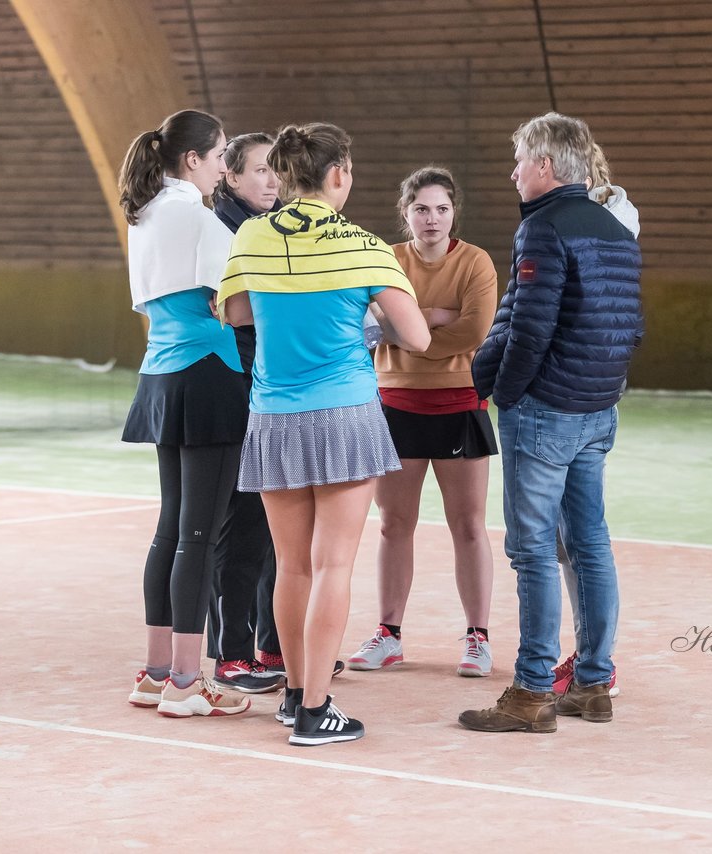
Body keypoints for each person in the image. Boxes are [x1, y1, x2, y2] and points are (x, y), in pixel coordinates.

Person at [219, 123, 430, 746]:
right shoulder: (366, 245)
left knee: (291, 567)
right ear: (337, 173)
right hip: (346, 414)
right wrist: (361, 315)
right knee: (333, 565)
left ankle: (291, 696)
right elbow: (416, 337)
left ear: (284, 175)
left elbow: (235, 313)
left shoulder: (252, 234)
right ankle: (316, 709)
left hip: (273, 414)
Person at [459, 112, 643, 734]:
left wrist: (504, 393)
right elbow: (626, 326)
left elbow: (530, 328)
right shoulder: (615, 227)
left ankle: (533, 691)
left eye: (518, 162)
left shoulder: (544, 228)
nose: (512, 173)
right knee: (589, 544)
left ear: (544, 166)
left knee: (532, 550)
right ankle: (593, 683)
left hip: (546, 412)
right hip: (598, 410)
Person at [119, 109, 251, 719]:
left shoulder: (143, 215)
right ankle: (186, 684)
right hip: (207, 378)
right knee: (198, 533)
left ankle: (155, 673)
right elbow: (240, 306)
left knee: (171, 528)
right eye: (222, 152)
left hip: (161, 376)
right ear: (193, 159)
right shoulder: (198, 218)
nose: (226, 164)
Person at [347, 166, 499, 677]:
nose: (431, 218)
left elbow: (476, 330)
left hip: (460, 404)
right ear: (405, 212)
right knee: (393, 525)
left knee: (469, 526)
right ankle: (388, 635)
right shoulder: (385, 260)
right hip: (393, 405)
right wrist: (436, 317)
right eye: (421, 209)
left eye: (441, 208)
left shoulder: (476, 262)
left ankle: (478, 638)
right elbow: (367, 326)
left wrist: (411, 328)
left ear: (453, 212)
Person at [202, 132, 291, 694]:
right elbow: (232, 314)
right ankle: (231, 653)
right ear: (231, 177)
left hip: (274, 390)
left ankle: (273, 644)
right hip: (236, 390)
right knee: (241, 527)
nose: (271, 180)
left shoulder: (279, 229)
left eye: (276, 170)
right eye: (259, 170)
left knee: (275, 527)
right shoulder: (222, 234)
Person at [552, 140, 640, 698]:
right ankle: (592, 662)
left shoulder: (582, 224)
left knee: (572, 539)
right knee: (581, 536)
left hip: (568, 398)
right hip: (598, 394)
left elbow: (550, 311)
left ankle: (591, 662)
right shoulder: (618, 221)